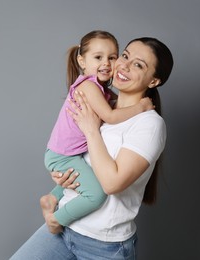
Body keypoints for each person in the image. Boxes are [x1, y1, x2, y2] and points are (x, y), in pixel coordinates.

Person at [10, 36, 174, 260]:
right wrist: (62, 179)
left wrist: (91, 130)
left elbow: (111, 183)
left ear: (154, 81)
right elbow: (76, 153)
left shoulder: (149, 124)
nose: (123, 65)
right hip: (64, 230)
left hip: (104, 246)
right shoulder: (103, 104)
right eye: (125, 56)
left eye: (138, 64)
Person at [42, 30, 153, 233]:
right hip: (63, 156)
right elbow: (110, 116)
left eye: (112, 57)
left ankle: (52, 197)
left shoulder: (101, 90)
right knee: (95, 194)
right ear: (82, 61)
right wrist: (141, 107)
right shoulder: (89, 86)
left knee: (89, 169)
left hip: (68, 154)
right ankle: (57, 220)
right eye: (98, 57)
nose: (106, 64)